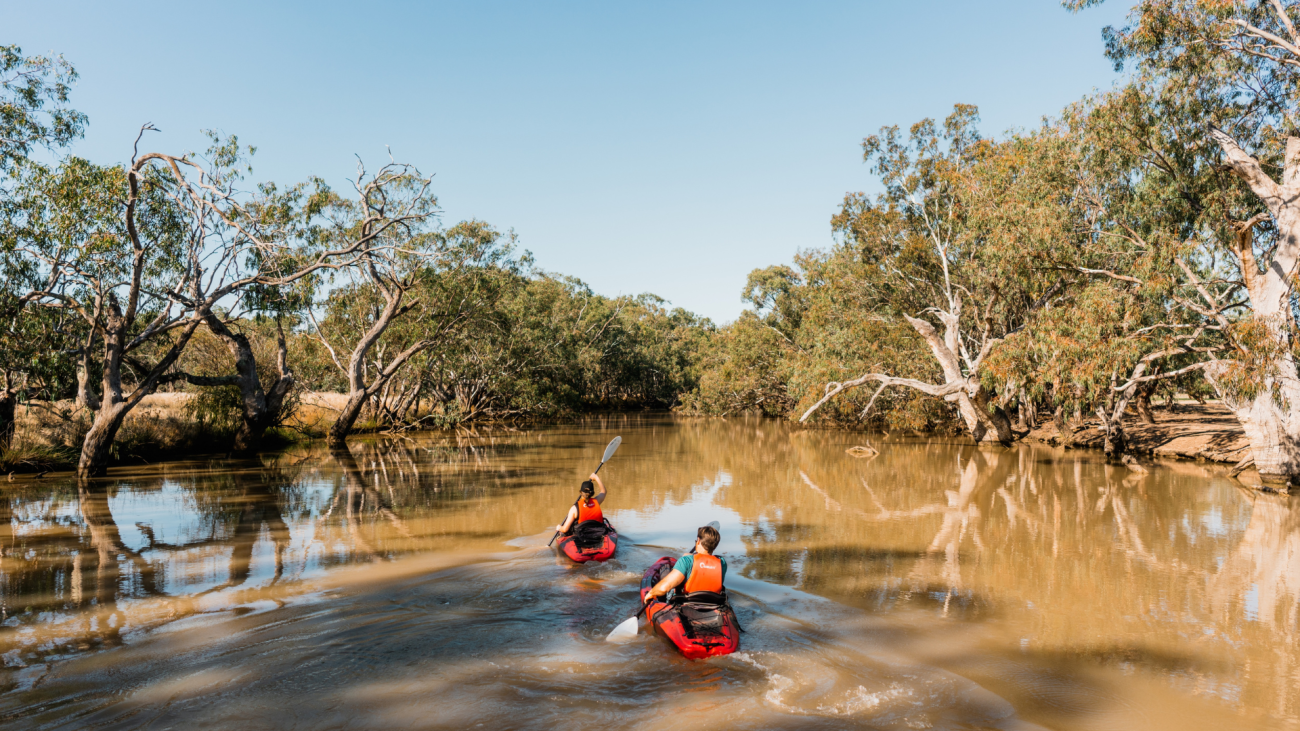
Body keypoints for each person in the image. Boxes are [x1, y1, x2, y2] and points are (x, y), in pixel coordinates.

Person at [644, 524, 726, 603]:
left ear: (698, 541)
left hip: (685, 602)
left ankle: (661, 602)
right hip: (712, 602)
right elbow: (705, 561)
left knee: (665, 571)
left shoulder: (686, 561)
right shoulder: (722, 563)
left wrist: (651, 593)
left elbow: (665, 588)